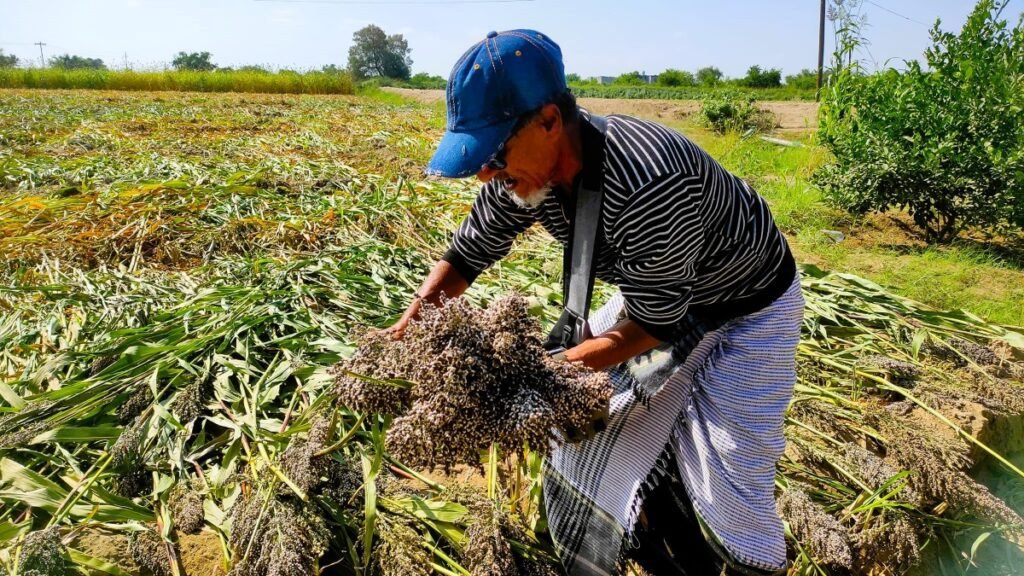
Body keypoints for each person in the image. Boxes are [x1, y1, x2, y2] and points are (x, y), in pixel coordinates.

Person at [387, 29, 803, 576]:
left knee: (729, 476)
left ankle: (741, 558)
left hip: (746, 307)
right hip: (660, 298)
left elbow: (656, 326)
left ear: (550, 122)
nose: (487, 172)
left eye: (493, 153)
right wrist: (408, 330)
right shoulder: (525, 175)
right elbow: (468, 253)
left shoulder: (651, 183)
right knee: (589, 434)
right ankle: (651, 537)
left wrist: (542, 376)